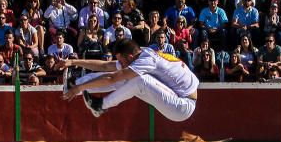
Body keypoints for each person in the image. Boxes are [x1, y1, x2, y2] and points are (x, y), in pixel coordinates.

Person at [62, 38, 199, 122]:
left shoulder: (145, 61)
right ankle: (75, 84)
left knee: (138, 80)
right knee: (127, 79)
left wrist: (81, 88)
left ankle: (100, 106)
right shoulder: (141, 53)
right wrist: (73, 62)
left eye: (122, 61)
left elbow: (112, 78)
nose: (120, 64)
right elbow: (106, 66)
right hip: (175, 95)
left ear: (130, 56)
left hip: (182, 106)